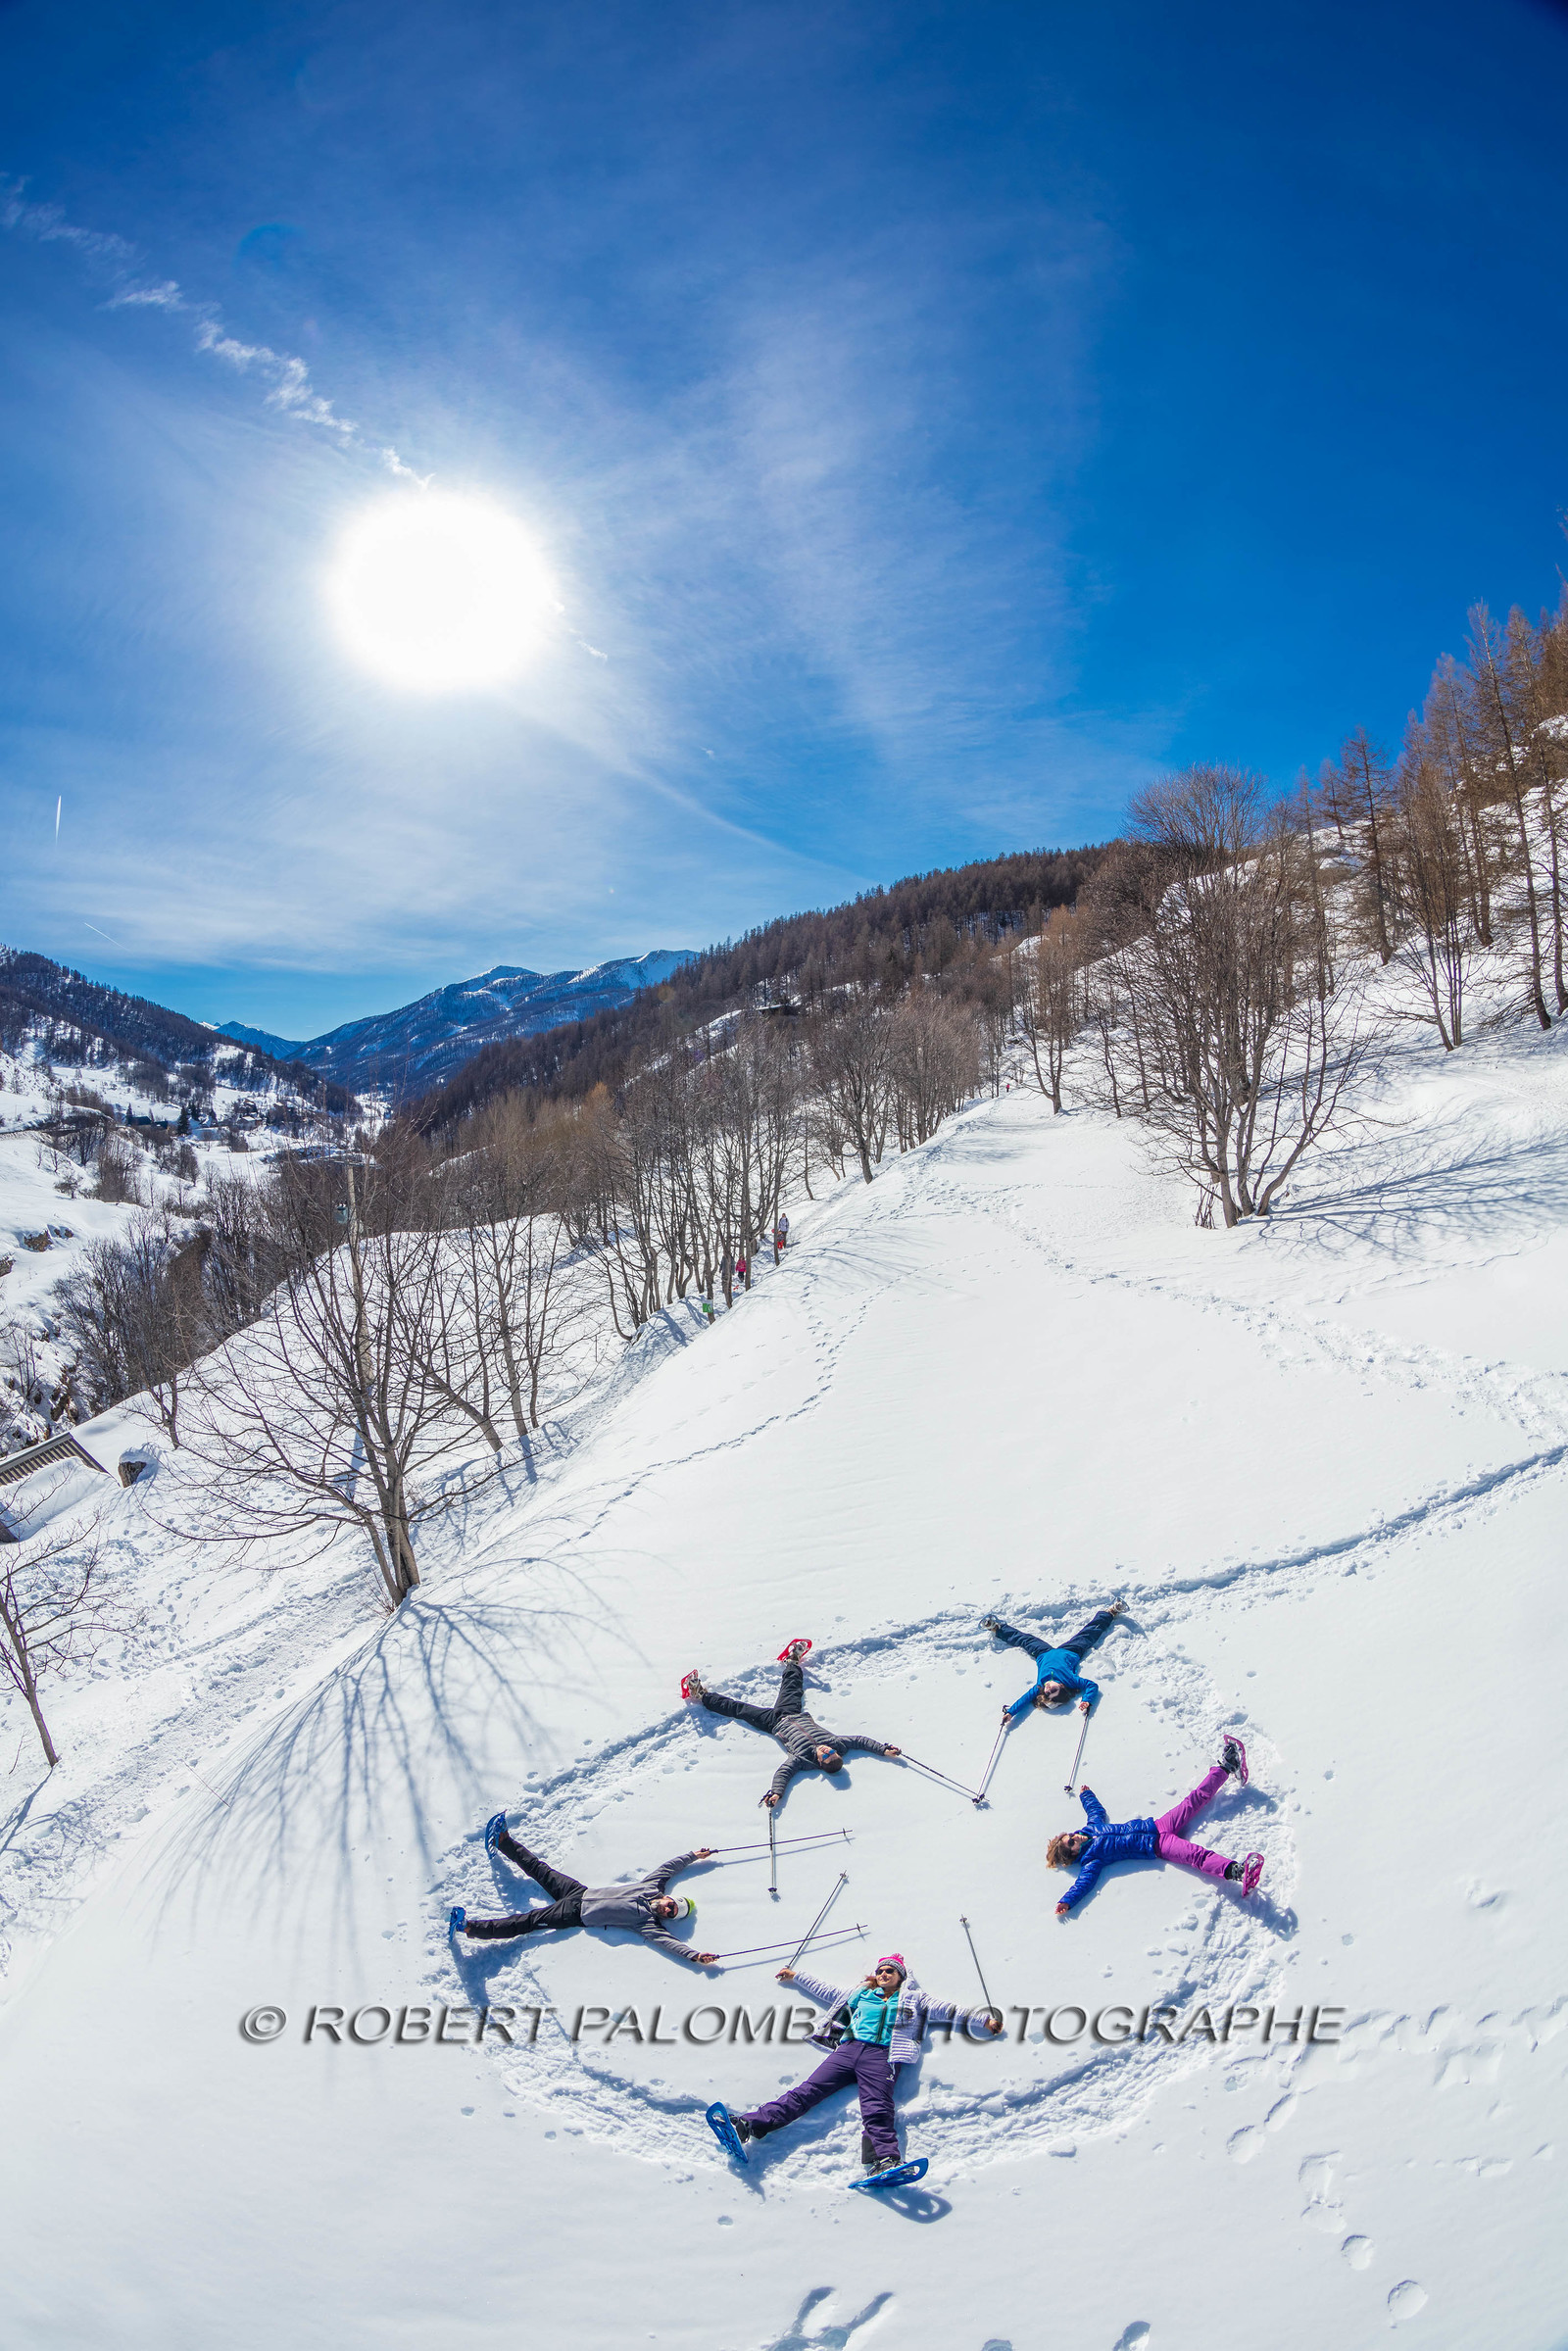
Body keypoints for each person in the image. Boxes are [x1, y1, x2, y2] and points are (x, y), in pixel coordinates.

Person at [713, 1953, 1004, 2174]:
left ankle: (884, 2160)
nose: (884, 1974)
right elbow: (825, 1990)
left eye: (890, 1971)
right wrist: (796, 1976)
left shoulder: (915, 1999)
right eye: (880, 1971)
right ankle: (749, 2125)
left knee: (877, 2107)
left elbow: (949, 2010)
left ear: (900, 1976)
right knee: (806, 2091)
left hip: (883, 2056)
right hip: (848, 2050)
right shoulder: (861, 1993)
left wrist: (983, 2020)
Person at [450, 1817, 719, 1965]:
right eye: (672, 1904)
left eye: (671, 1914)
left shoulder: (647, 1924)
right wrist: (694, 1855)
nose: (667, 1909)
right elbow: (669, 1867)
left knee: (528, 1921)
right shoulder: (652, 1887)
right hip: (580, 1892)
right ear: (668, 1897)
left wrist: (694, 1955)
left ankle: (470, 1928)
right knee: (539, 1869)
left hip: (575, 1913)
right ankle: (503, 1841)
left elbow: (669, 1943)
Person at [1051, 1739, 1263, 1917]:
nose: (1073, 1836)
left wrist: (1086, 1795)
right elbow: (1083, 1884)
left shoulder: (1092, 1828)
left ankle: (1226, 1766)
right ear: (1073, 1853)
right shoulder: (1091, 1861)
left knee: (1194, 1800)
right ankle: (1237, 1871)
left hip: (1158, 1824)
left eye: (1068, 1834)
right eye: (1070, 1841)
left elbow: (1095, 1811)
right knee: (1196, 1855)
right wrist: (1067, 1901)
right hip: (1158, 1845)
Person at [684, 1641, 901, 1807]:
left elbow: (784, 1773)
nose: (827, 1750)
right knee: (792, 1688)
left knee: (738, 1709)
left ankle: (700, 1694)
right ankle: (792, 1661)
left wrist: (776, 1793)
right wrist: (882, 1749)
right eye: (831, 1752)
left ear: (820, 1762)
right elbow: (860, 1741)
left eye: (825, 1756)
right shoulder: (837, 1743)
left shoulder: (802, 1759)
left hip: (773, 1723)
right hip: (793, 1714)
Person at [985, 1600, 1125, 1723]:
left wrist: (1010, 1713)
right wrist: (1086, 1700)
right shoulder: (1070, 1680)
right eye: (1053, 1690)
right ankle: (1111, 1612)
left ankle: (997, 1628)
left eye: (1047, 1693)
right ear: (1062, 1686)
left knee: (1024, 1639)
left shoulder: (1039, 1686)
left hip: (1043, 1653)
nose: (1047, 1689)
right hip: (1071, 1651)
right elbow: (1092, 1685)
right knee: (1089, 1634)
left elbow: (1024, 1699)